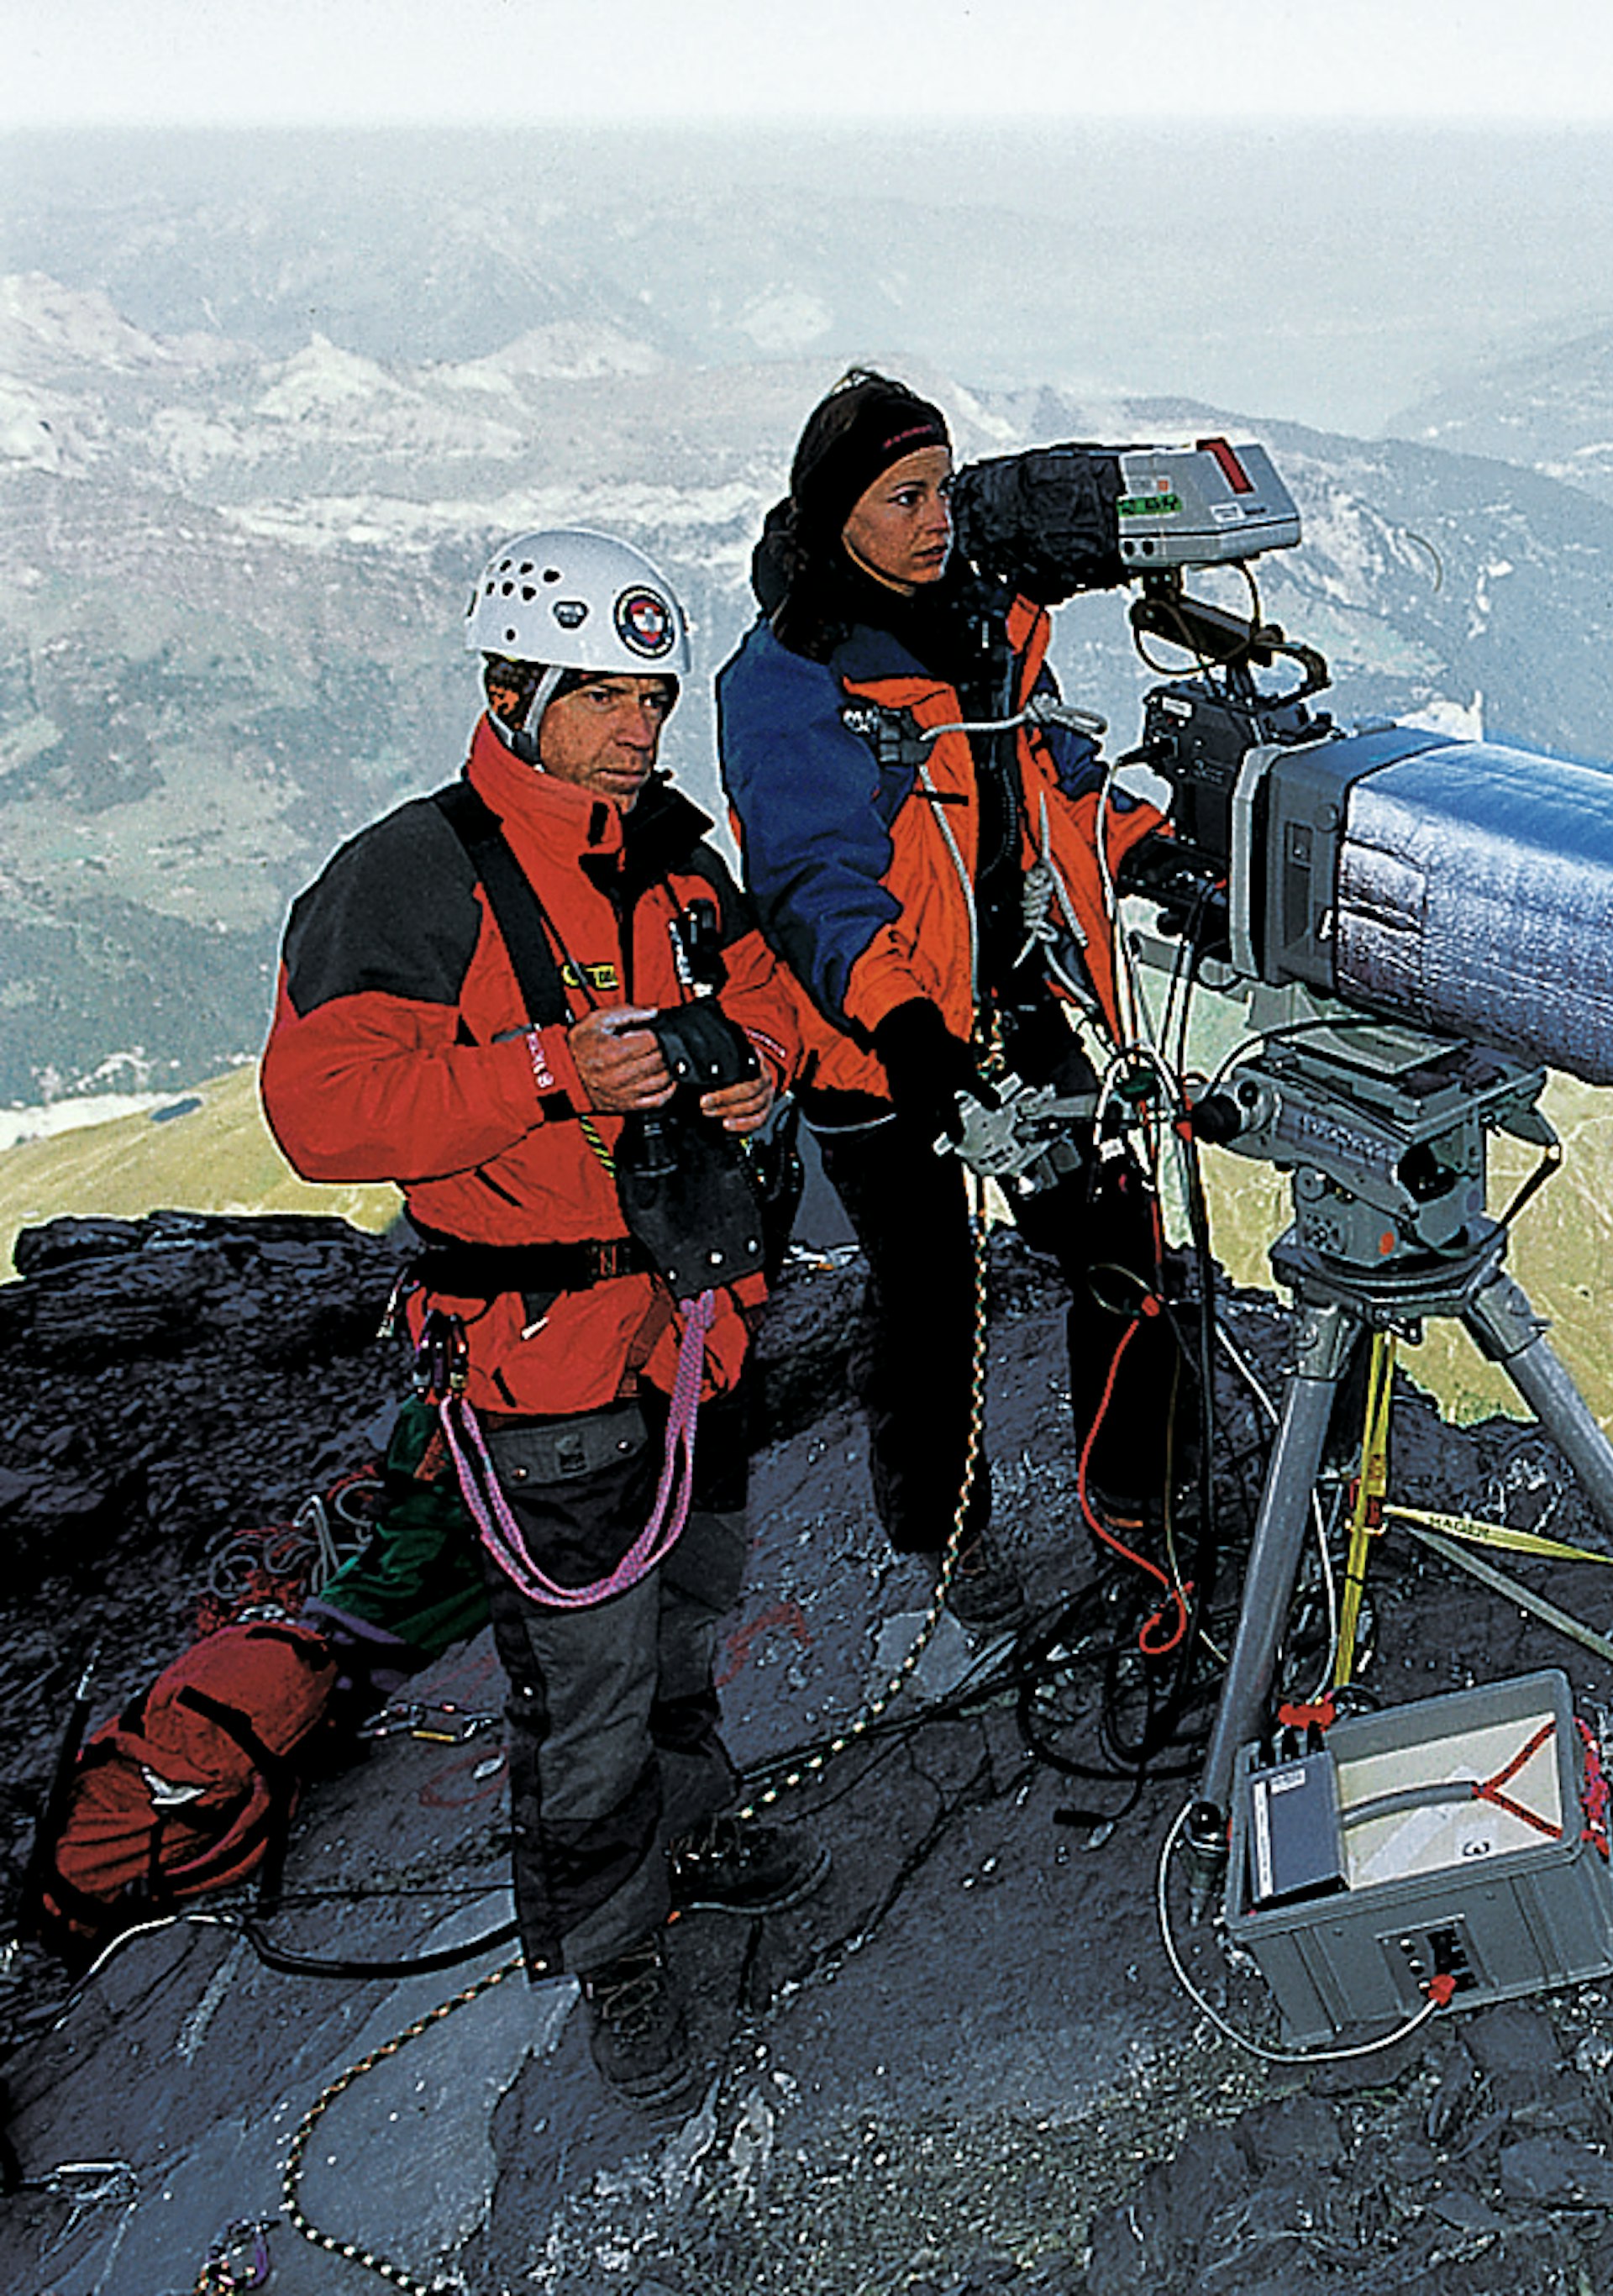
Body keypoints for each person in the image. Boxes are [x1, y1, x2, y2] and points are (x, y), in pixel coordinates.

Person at [262, 529, 831, 2109]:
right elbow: (323, 1110)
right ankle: (616, 1954)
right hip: (541, 1357)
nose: (641, 731)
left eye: (651, 697)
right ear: (513, 693)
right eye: (604, 699)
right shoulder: (410, 877)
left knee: (690, 1621)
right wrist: (546, 1075)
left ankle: (694, 1830)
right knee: (581, 1688)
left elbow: (771, 998)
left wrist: (752, 1061)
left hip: (694, 1327)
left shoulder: (673, 857)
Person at [714, 370, 1196, 1619]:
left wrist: (1148, 848)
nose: (939, 519)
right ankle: (944, 1540)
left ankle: (1136, 1501)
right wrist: (910, 1027)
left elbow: (1054, 772)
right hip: (880, 1049)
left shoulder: (978, 629)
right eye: (905, 496)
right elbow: (815, 885)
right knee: (930, 1296)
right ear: (837, 518)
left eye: (941, 489)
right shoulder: (791, 681)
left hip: (1001, 1001)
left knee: (1118, 1236)